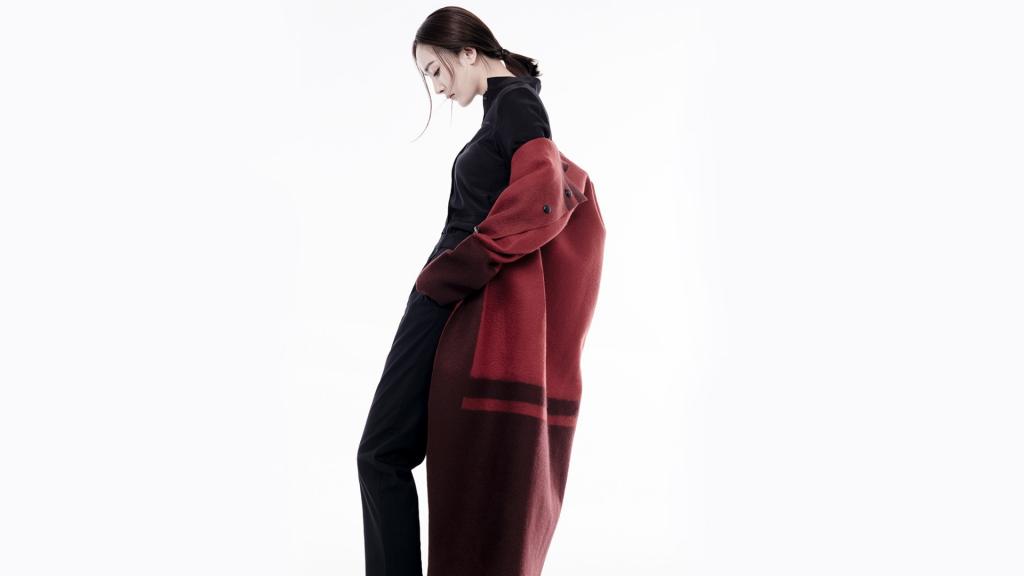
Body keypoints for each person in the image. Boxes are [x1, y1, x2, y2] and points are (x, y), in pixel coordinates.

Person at [357, 7, 554, 576]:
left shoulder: (515, 103)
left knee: (381, 452)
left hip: (446, 297)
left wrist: (449, 275)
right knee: (393, 451)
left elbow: (542, 199)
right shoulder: (506, 106)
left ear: (468, 52)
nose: (437, 88)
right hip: (450, 295)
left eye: (435, 71)